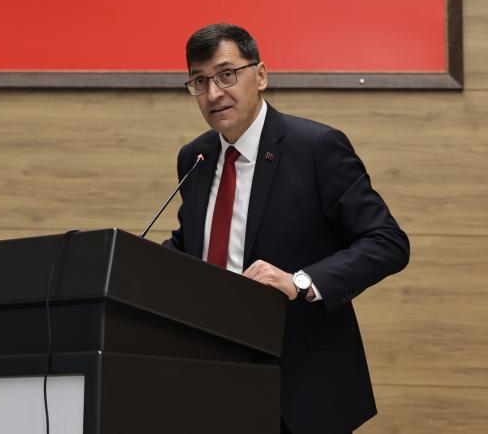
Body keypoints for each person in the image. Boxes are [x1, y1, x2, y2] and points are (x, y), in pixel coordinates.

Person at [163, 23, 410, 434]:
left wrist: (301, 282)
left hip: (300, 385)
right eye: (200, 81)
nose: (213, 93)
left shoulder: (315, 147)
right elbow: (195, 243)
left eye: (226, 75)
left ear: (260, 75)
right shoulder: (196, 157)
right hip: (214, 375)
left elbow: (387, 242)